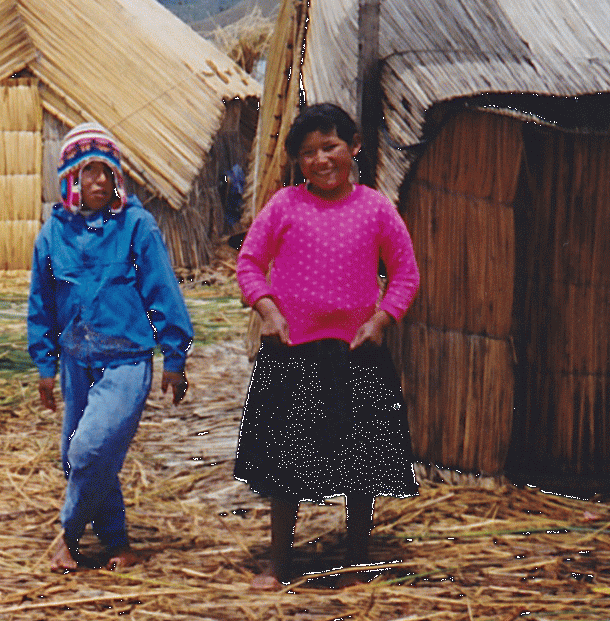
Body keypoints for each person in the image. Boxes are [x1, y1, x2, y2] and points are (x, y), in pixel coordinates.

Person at [233, 103, 421, 591]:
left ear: (353, 146)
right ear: (298, 160)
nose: (321, 160)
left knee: (361, 463)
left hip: (356, 352)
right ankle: (279, 562)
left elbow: (405, 273)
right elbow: (250, 263)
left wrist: (381, 320)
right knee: (285, 462)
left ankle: (356, 559)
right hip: (293, 352)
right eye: (309, 152)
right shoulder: (284, 206)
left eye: (331, 146)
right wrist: (269, 312)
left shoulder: (376, 209)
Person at [27, 123, 193, 573]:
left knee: (89, 450)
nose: (97, 181)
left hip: (127, 358)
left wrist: (174, 358)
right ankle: (118, 541)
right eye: (87, 172)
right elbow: (41, 303)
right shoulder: (53, 233)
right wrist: (44, 364)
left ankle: (69, 536)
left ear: (118, 176)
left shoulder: (136, 226)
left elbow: (162, 291)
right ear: (70, 179)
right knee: (78, 457)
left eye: (106, 171)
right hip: (76, 361)